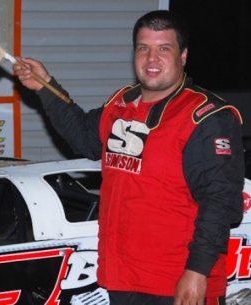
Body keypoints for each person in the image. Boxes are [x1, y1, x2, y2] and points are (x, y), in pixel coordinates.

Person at [13, 10, 244, 305]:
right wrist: (46, 87)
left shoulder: (206, 116)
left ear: (183, 56)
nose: (151, 58)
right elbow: (84, 137)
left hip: (176, 283)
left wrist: (197, 271)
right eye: (143, 48)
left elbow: (221, 203)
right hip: (122, 277)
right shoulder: (121, 103)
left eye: (164, 48)